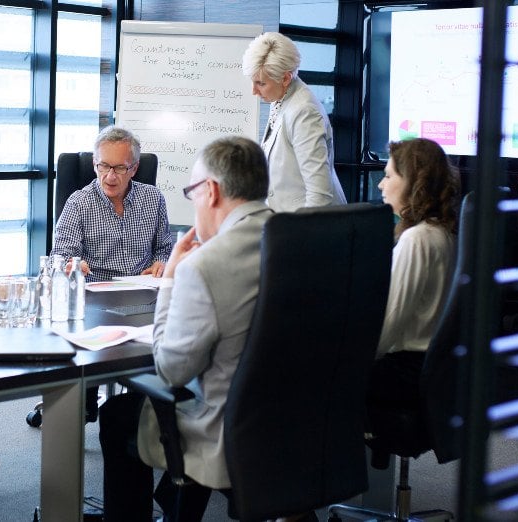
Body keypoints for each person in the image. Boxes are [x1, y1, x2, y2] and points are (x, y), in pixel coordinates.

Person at [98, 136, 273, 521]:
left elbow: (170, 370)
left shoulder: (204, 266)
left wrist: (172, 279)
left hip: (226, 429)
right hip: (292, 419)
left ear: (210, 191)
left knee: (116, 416)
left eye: (193, 191)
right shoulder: (299, 241)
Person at [369, 137, 461, 410]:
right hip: (427, 372)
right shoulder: (442, 233)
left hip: (403, 372)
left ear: (412, 182)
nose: (380, 184)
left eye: (388, 176)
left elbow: (389, 323)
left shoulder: (418, 239)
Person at [50, 126, 174, 281]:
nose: (110, 177)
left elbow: (164, 248)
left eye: (120, 168)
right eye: (104, 166)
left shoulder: (153, 198)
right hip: (97, 294)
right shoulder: (78, 203)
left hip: (142, 291)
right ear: (95, 163)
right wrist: (71, 266)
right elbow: (58, 260)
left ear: (134, 168)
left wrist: (161, 262)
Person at [242, 31, 346, 212]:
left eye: (260, 83)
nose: (254, 91)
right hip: (288, 225)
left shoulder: (304, 111)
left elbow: (319, 195)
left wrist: (299, 237)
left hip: (310, 230)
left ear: (285, 78)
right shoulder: (282, 97)